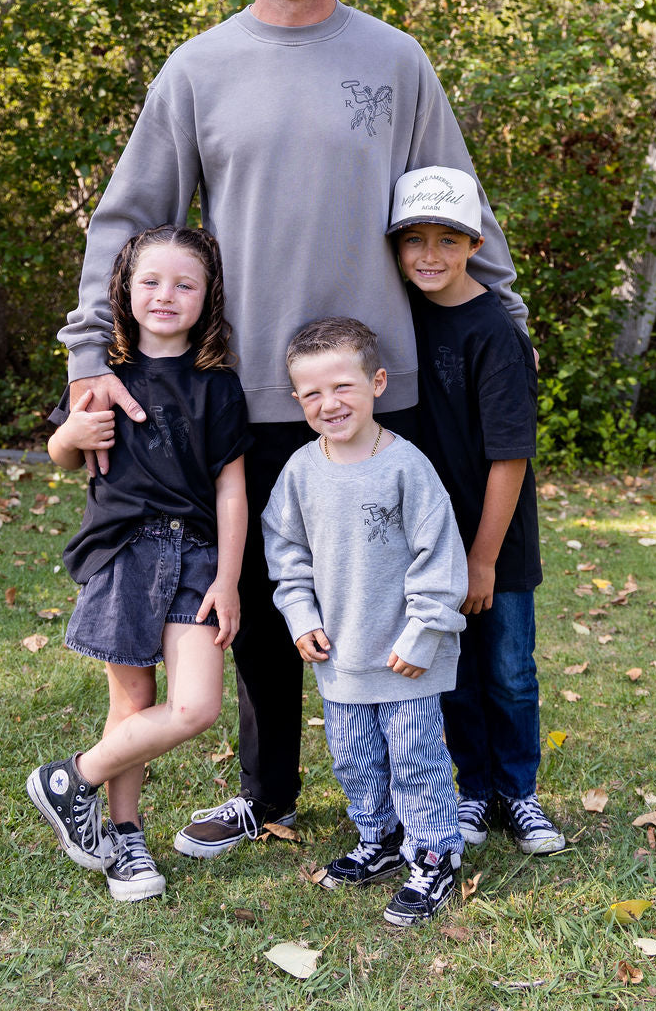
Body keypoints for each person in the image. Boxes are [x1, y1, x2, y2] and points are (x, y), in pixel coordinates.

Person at [58, 0, 530, 855]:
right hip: (247, 390)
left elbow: (455, 203)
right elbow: (129, 219)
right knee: (267, 609)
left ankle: (441, 794)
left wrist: (506, 324)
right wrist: (88, 358)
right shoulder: (200, 68)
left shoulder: (394, 59)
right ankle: (265, 796)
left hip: (379, 388)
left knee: (409, 590)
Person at [27, 226, 250, 901]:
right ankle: (125, 837)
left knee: (196, 707)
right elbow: (61, 455)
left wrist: (229, 577)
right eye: (150, 280)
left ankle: (71, 778)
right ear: (124, 288)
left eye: (185, 283)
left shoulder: (219, 386)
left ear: (207, 296)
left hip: (197, 558)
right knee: (133, 701)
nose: (165, 295)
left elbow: (232, 487)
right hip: (125, 550)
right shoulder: (101, 378)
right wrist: (70, 434)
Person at [262, 317, 468, 927]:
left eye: (343, 387)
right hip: (340, 653)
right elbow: (286, 553)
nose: (330, 404)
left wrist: (424, 634)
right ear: (297, 400)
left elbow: (440, 555)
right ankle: (378, 838)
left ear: (377, 382)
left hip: (406, 652)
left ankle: (434, 856)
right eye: (313, 393)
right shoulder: (300, 471)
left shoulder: (407, 466)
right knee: (352, 756)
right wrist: (300, 617)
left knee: (414, 755)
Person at [388, 167, 565, 856]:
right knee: (452, 675)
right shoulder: (398, 318)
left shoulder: (494, 329)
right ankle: (473, 788)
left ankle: (518, 794)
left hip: (496, 541)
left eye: (447, 239)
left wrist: (483, 558)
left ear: (475, 243)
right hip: (429, 542)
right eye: (415, 240)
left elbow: (510, 456)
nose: (429, 255)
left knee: (509, 671)